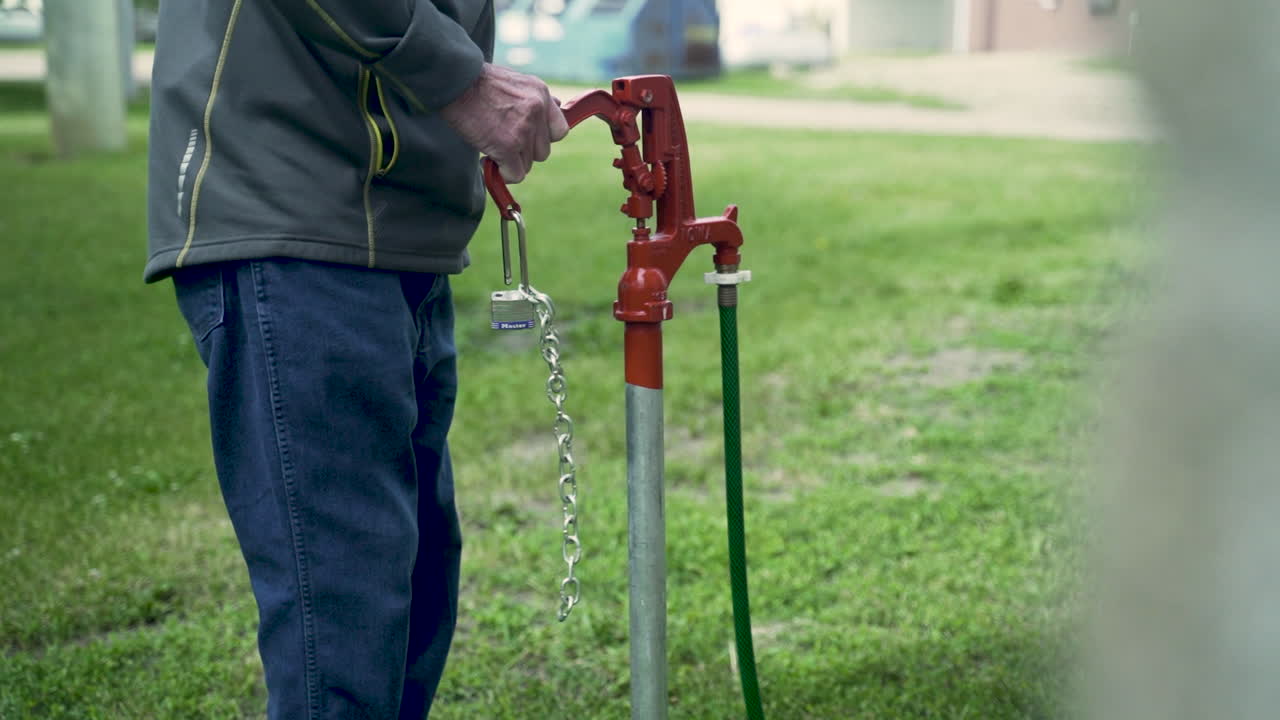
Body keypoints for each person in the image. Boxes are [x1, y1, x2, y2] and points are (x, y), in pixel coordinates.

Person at [144, 2, 568, 718]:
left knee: (411, 590)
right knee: (344, 617)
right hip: (297, 209)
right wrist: (464, 82)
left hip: (398, 229)